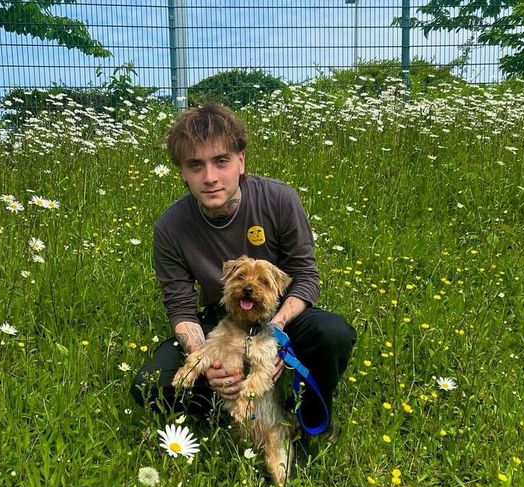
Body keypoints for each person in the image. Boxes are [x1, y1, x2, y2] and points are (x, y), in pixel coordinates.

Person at [130, 103, 356, 436]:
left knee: (333, 333)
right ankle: (227, 409)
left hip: (279, 316)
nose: (210, 177)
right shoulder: (170, 226)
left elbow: (305, 279)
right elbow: (180, 307)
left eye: (221, 161)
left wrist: (273, 336)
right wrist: (210, 362)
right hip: (221, 318)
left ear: (241, 160)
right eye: (196, 165)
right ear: (182, 172)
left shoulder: (280, 200)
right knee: (148, 385)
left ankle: (307, 416)